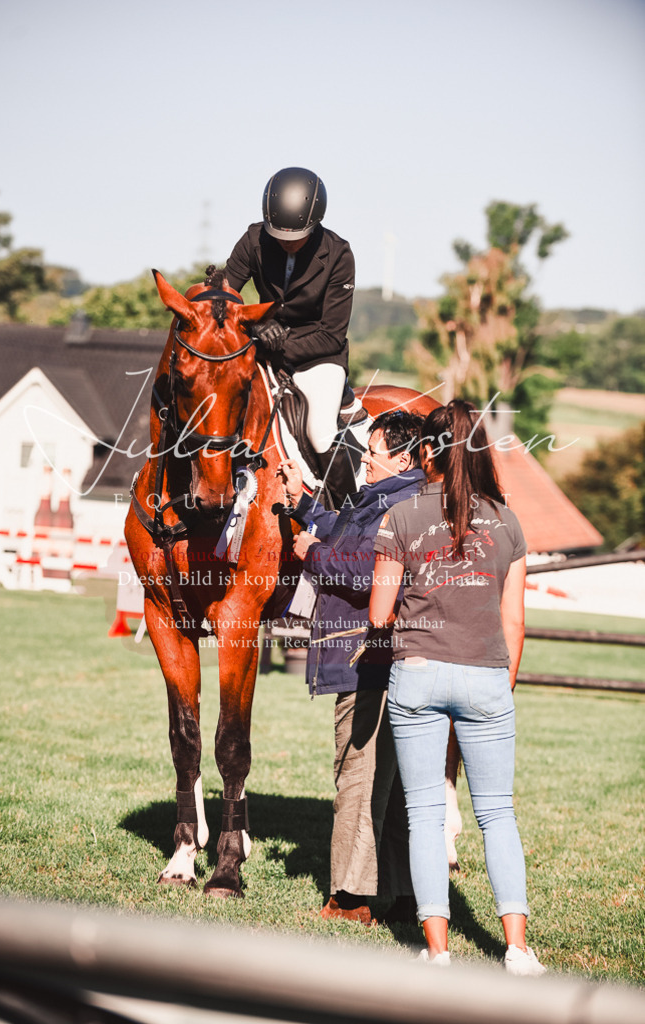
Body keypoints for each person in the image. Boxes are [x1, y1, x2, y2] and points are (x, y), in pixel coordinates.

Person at [369, 399, 546, 974]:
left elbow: (378, 614)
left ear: (427, 451)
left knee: (423, 814)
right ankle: (517, 948)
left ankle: (438, 952)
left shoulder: (400, 516)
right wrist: (502, 685)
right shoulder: (509, 522)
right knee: (498, 815)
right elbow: (515, 621)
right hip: (487, 675)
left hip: (417, 673)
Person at [278, 411, 432, 924]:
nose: (364, 459)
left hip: (369, 658)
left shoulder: (399, 504)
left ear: (404, 459)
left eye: (374, 451)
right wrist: (304, 503)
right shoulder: (394, 498)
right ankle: (403, 895)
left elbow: (367, 573)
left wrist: (312, 554)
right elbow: (347, 535)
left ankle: (351, 897)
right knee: (387, 782)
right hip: (379, 660)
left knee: (358, 778)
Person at [226, 166, 358, 505]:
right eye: (278, 236)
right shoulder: (254, 239)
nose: (285, 244)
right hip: (261, 345)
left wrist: (278, 345)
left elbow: (331, 334)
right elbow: (225, 298)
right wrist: (253, 327)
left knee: (320, 432)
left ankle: (351, 518)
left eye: (295, 237)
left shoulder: (339, 254)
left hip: (318, 357)